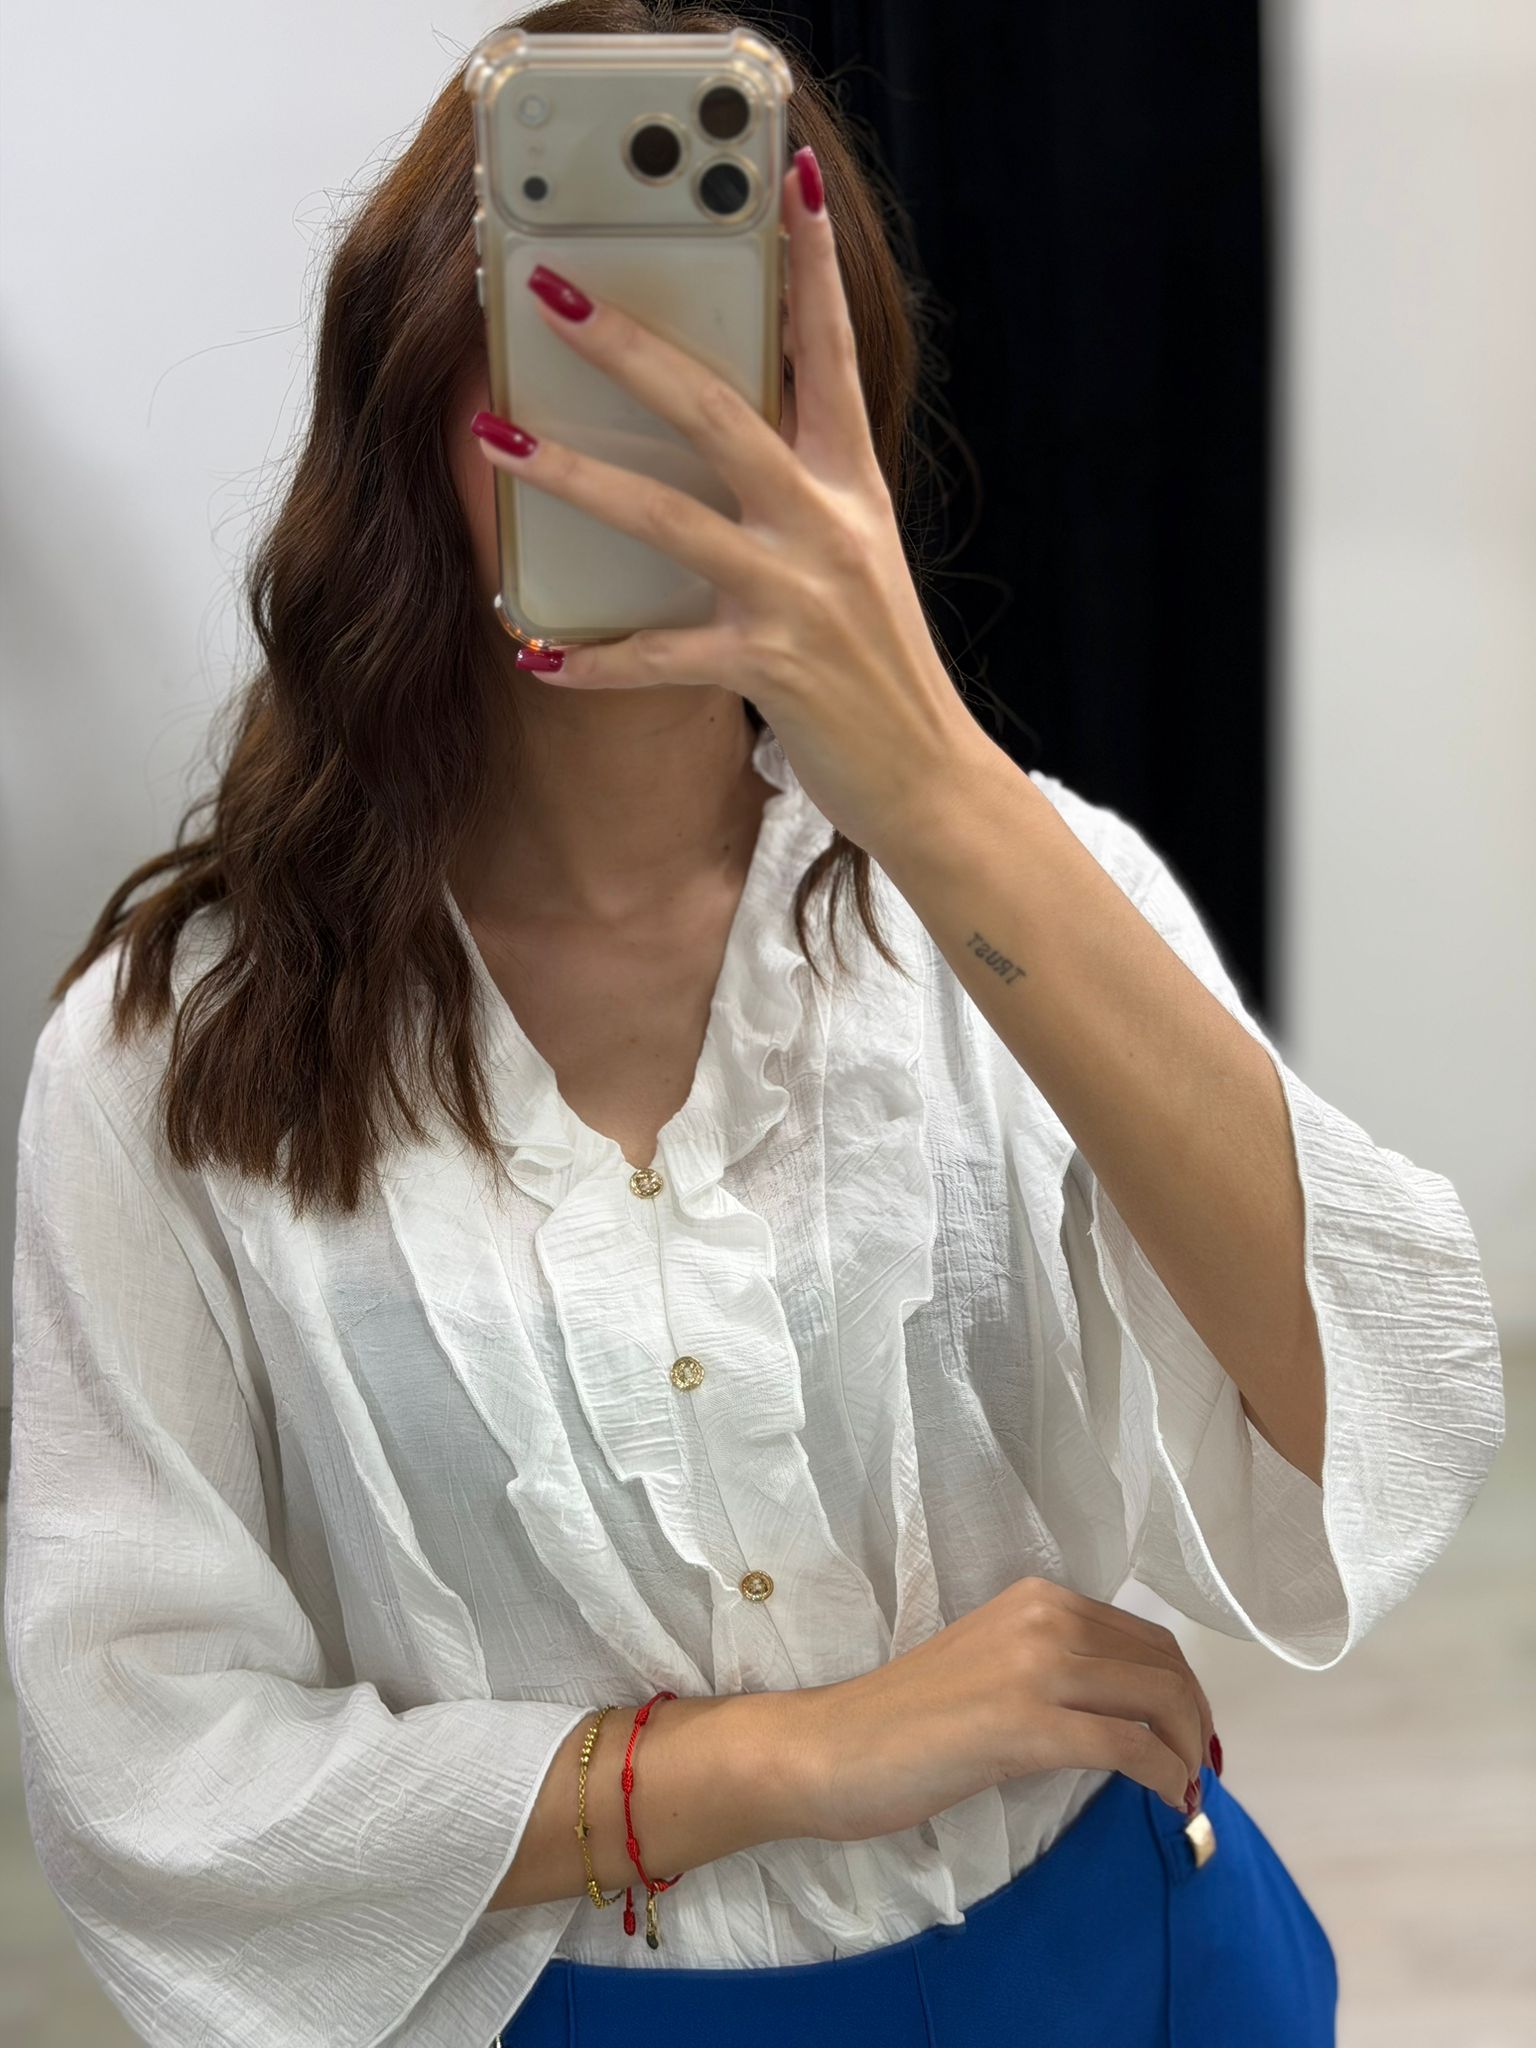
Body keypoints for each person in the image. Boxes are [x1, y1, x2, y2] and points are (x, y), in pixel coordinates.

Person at [5, 6, 1504, 2046]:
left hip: (1116, 1960)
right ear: (417, 387)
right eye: (569, 328)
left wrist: (931, 774)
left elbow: (1376, 1411)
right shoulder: (175, 1048)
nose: (655, 416)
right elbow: (146, 1759)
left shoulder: (1020, 889)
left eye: (724, 346)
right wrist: (775, 1758)